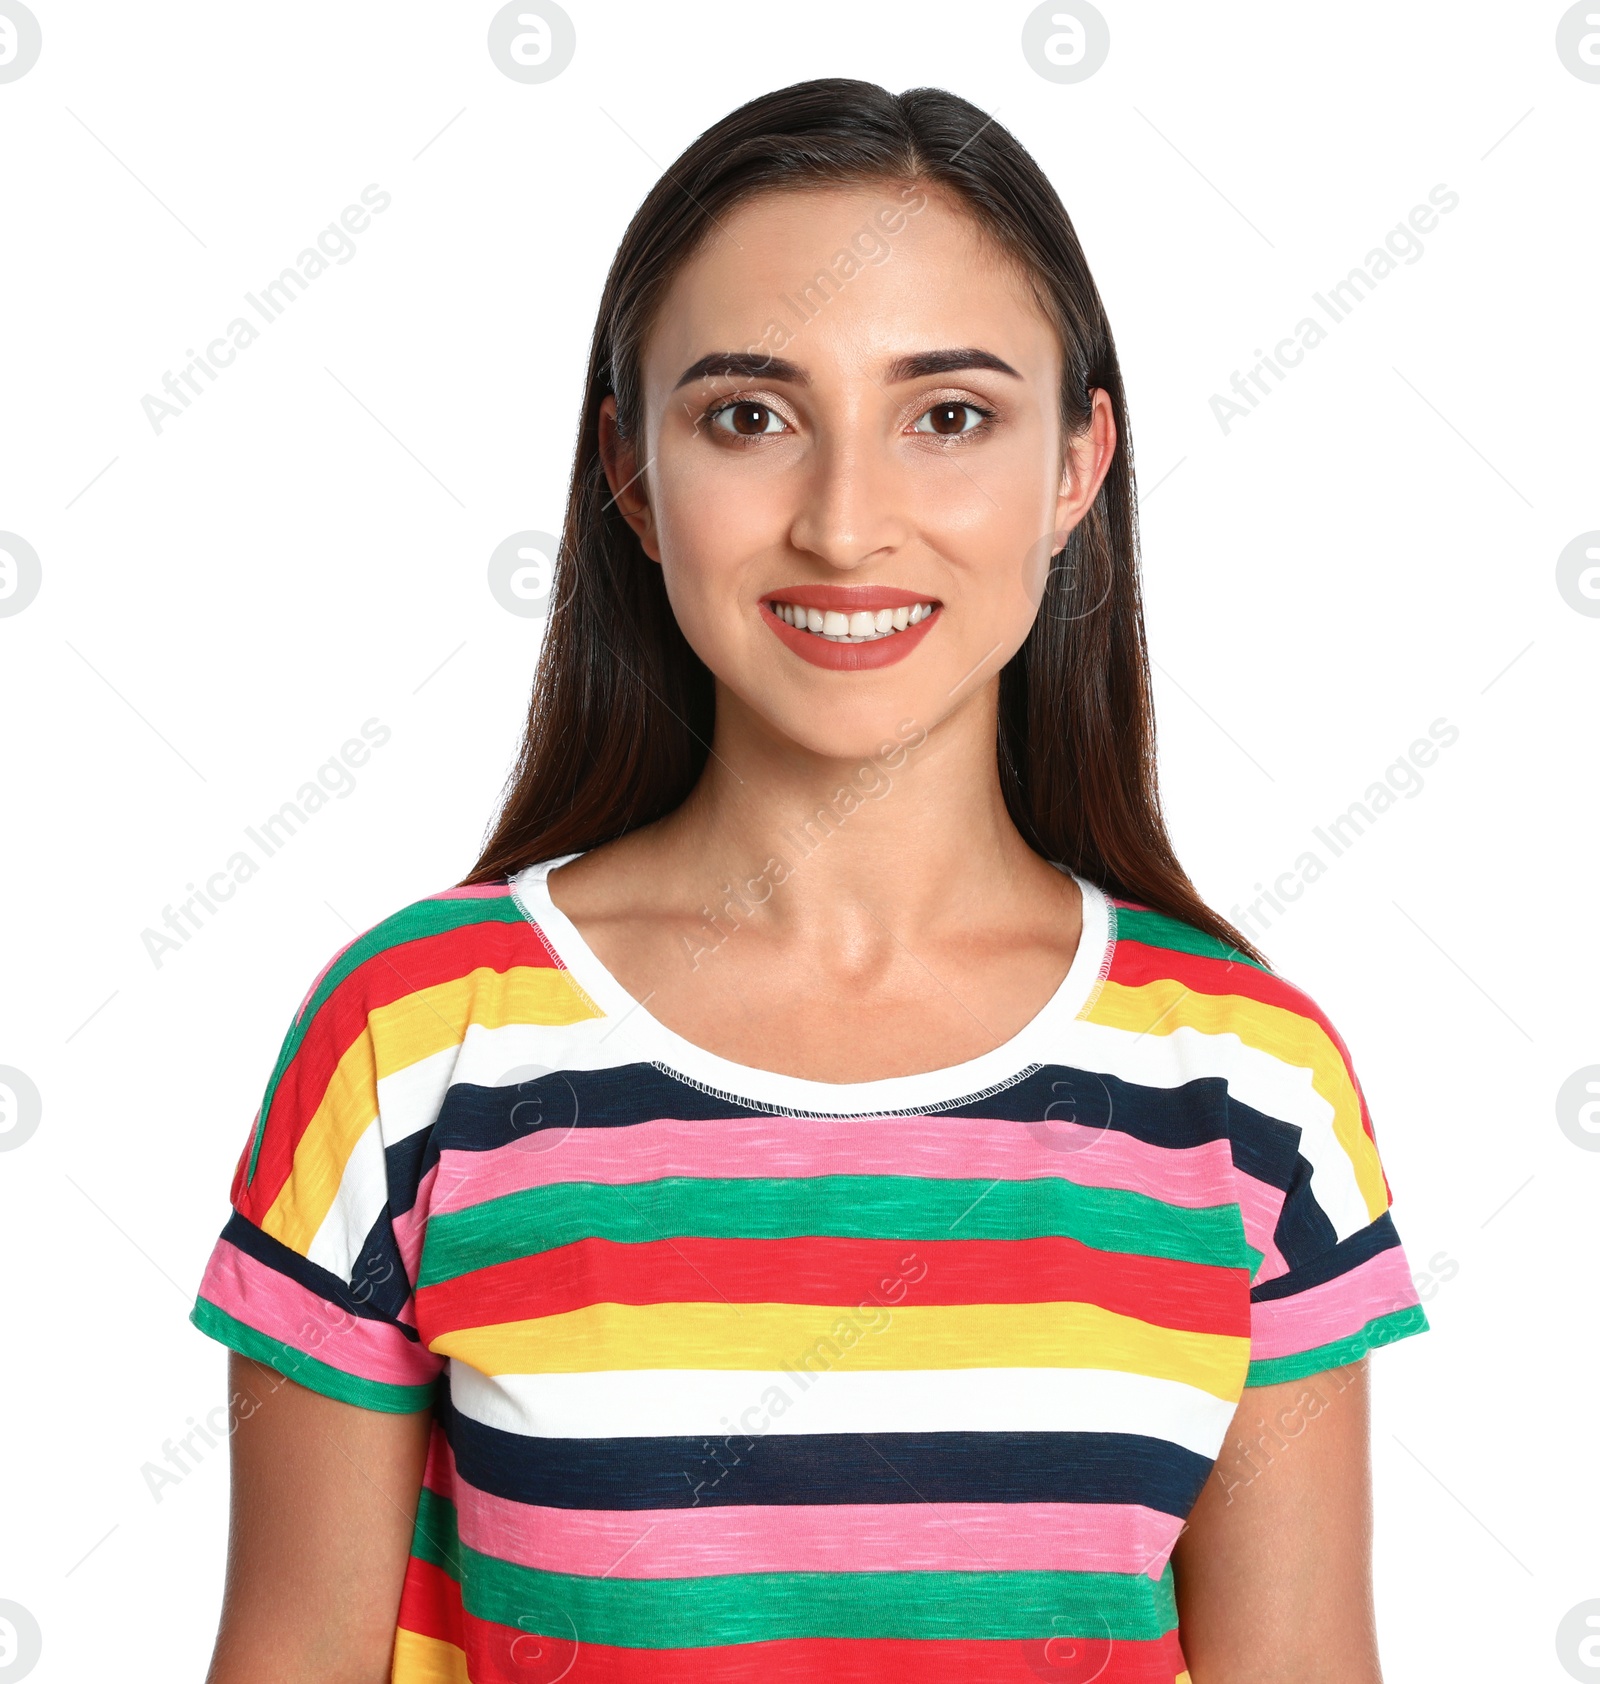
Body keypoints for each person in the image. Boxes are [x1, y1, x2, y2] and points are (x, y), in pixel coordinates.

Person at [193, 78, 1429, 1684]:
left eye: (951, 416)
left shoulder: (1246, 1089)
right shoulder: (420, 1048)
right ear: (632, 476)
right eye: (749, 417)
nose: (846, 526)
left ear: (1076, 467)